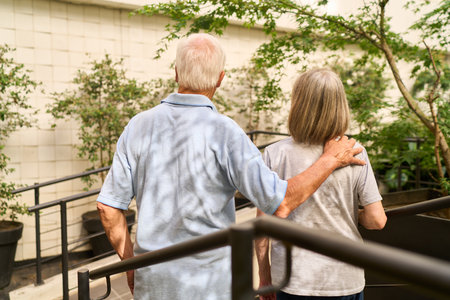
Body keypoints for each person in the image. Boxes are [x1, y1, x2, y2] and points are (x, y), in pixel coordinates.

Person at [96, 34, 366, 300]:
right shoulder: (226, 133)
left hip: (153, 284)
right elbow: (281, 202)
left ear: (176, 73)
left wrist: (130, 264)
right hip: (213, 288)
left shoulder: (137, 127)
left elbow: (108, 208)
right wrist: (331, 159)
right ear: (220, 79)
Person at [255, 68, 387, 300]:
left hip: (292, 280)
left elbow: (263, 225)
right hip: (345, 278)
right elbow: (377, 220)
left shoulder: (275, 154)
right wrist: (353, 214)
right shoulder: (355, 152)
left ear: (298, 104)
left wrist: (265, 275)